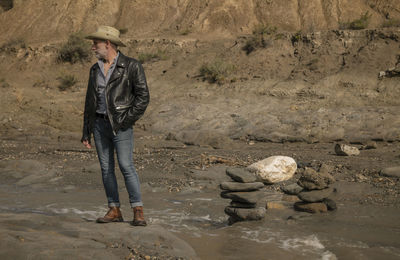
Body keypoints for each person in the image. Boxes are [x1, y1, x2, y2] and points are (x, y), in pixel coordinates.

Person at [81, 25, 150, 226]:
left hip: (121, 126)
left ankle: (138, 210)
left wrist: (125, 121)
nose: (93, 47)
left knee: (126, 166)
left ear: (108, 44)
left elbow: (143, 98)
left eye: (96, 43)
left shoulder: (132, 66)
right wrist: (86, 130)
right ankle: (114, 209)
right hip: (99, 126)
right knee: (106, 169)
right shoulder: (94, 69)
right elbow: (89, 101)